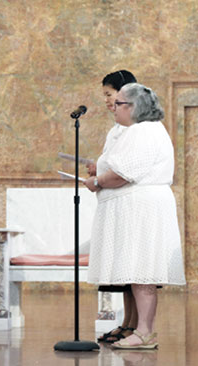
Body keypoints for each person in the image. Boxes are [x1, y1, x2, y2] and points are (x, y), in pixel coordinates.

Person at [84, 83, 186, 349]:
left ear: (133, 107)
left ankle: (145, 333)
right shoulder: (145, 130)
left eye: (118, 103)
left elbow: (121, 174)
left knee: (142, 271)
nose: (113, 108)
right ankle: (142, 331)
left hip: (141, 210)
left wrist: (97, 182)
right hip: (140, 208)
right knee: (140, 271)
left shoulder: (142, 132)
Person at [90, 70, 140, 344]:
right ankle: (126, 323)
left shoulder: (138, 128)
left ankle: (136, 327)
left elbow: (129, 168)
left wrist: (100, 178)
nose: (107, 102)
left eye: (109, 95)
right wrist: (98, 168)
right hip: (116, 204)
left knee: (134, 271)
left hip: (131, 204)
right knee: (124, 271)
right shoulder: (118, 128)